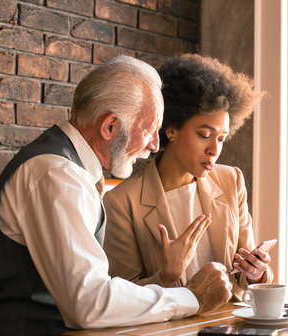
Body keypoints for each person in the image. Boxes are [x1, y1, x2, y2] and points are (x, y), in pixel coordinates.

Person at [0, 55, 232, 336]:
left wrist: (164, 280)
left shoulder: (71, 171)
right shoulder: (57, 175)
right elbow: (88, 304)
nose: (155, 144)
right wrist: (189, 297)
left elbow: (92, 294)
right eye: (149, 129)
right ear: (110, 126)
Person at [103, 54, 273, 301]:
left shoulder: (231, 181)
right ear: (171, 130)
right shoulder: (121, 203)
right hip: (167, 335)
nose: (214, 149)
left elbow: (243, 276)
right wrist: (167, 275)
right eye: (205, 134)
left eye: (222, 138)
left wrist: (256, 274)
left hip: (231, 328)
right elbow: (122, 296)